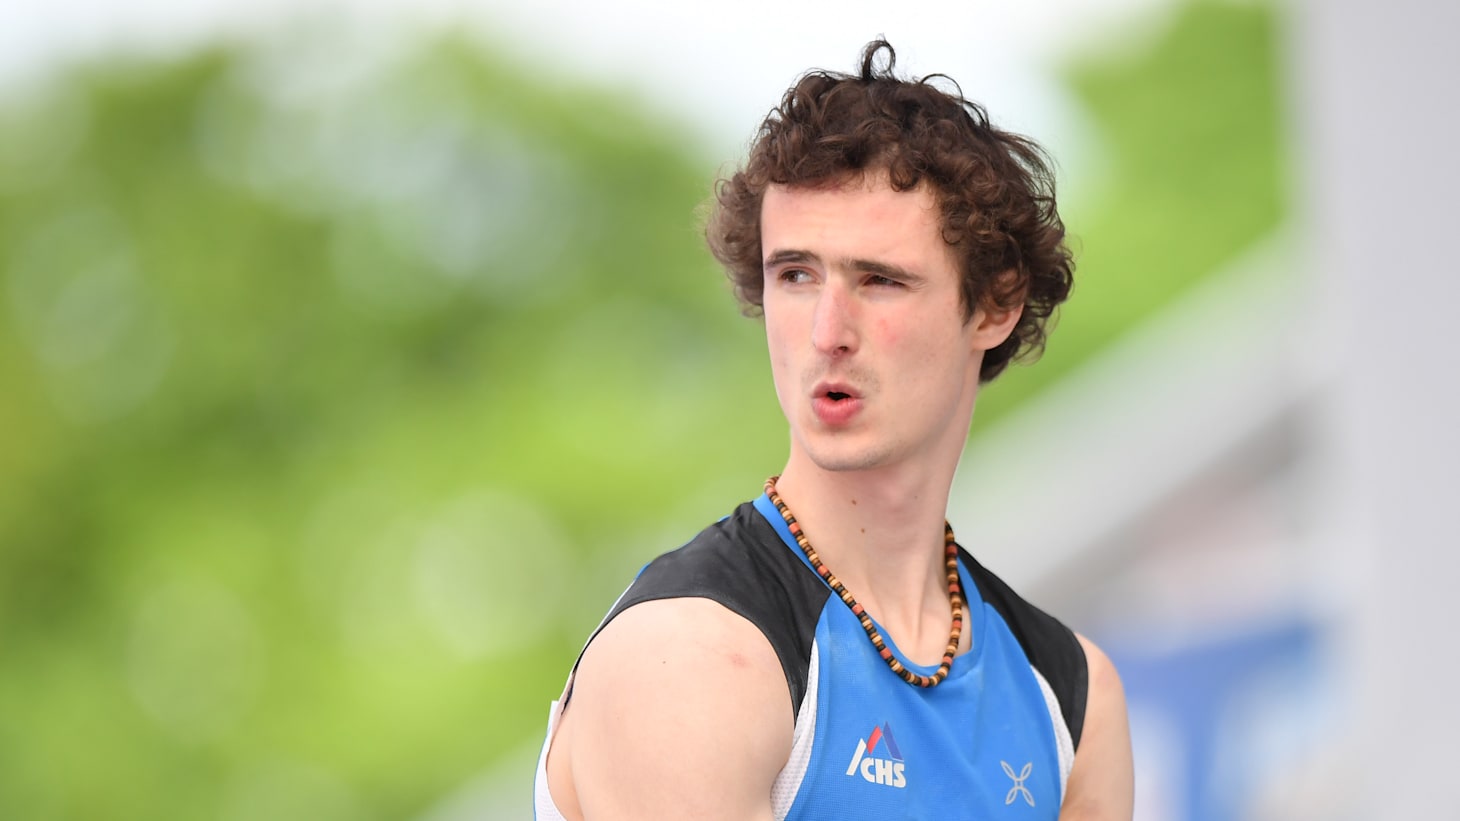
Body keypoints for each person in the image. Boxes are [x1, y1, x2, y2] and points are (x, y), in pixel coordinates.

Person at [534, 39, 1134, 820]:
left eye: (879, 280)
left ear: (995, 305)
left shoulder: (1072, 695)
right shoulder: (687, 655)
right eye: (795, 275)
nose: (826, 332)